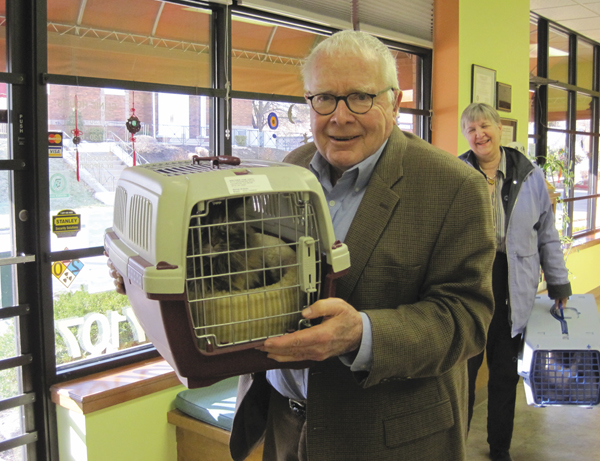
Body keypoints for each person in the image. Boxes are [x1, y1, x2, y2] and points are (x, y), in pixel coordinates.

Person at [108, 31, 495, 461]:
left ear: (395, 102)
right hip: (284, 425)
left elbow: (467, 317)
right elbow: (242, 263)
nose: (340, 117)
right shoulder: (288, 170)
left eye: (360, 98)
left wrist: (361, 335)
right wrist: (145, 277)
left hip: (386, 441)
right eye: (324, 98)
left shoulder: (454, 186)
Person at [459, 103, 572, 461]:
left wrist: (558, 283)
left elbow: (547, 234)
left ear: (499, 129)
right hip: (470, 287)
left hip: (514, 287)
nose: (479, 134)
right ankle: (455, 447)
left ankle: (499, 448)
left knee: (505, 375)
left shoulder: (529, 175)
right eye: (471, 129)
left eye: (485, 125)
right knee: (462, 378)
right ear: (466, 136)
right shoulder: (456, 172)